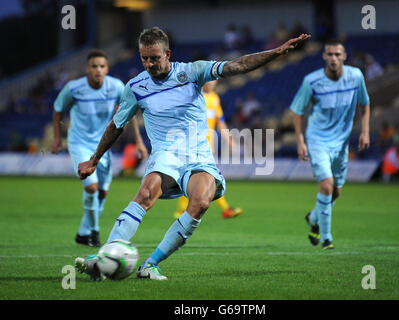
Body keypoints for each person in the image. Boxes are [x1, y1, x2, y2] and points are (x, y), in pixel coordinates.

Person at [75, 27, 310, 281]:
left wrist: (276, 52)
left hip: (198, 156)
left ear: (168, 54)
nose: (149, 63)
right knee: (145, 193)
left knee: (201, 202)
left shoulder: (192, 71)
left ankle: (150, 265)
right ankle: (105, 257)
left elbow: (238, 65)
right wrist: (94, 159)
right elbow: (116, 125)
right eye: (144, 58)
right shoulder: (135, 87)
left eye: (154, 57)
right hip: (165, 155)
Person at [51, 49, 147, 247]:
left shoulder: (116, 86)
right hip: (79, 143)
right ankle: (94, 233)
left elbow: (129, 112)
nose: (98, 70)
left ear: (107, 69)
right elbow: (58, 108)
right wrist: (57, 138)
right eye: (94, 66)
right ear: (87, 69)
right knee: (92, 188)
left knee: (102, 192)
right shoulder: (73, 88)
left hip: (103, 146)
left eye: (102, 66)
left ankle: (83, 232)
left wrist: (138, 141)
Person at [290, 39, 370, 250]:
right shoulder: (312, 81)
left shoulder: (355, 76)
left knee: (336, 192)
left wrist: (365, 131)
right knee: (326, 185)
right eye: (330, 54)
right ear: (324, 57)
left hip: (342, 144)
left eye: (337, 54)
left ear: (344, 56)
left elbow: (365, 103)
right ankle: (326, 238)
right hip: (317, 141)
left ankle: (314, 217)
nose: (333, 58)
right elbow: (297, 111)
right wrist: (300, 142)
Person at [173, 80, 243, 220]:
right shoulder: (194, 96)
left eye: (215, 80)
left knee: (204, 178)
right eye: (209, 80)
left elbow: (220, 122)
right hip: (193, 145)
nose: (212, 83)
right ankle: (224, 209)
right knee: (205, 177)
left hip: (207, 146)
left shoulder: (215, 98)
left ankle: (181, 211)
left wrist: (229, 141)